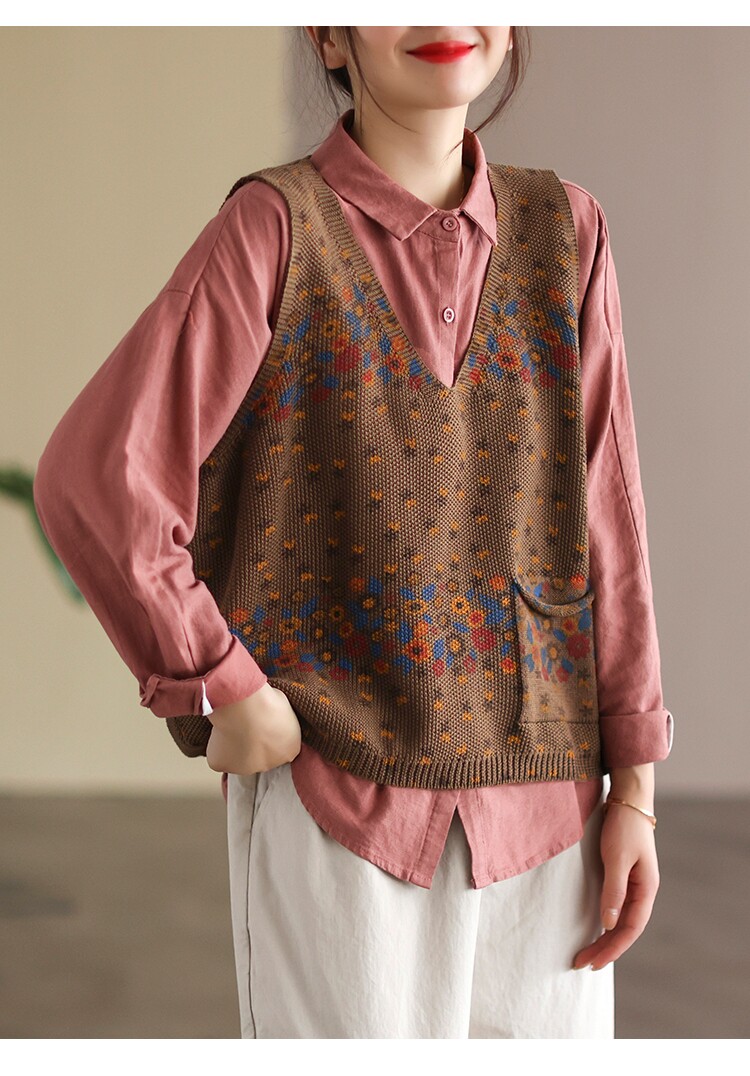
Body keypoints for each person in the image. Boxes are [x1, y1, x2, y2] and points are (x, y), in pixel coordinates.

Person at [33, 26, 674, 1039]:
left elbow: (609, 523)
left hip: (552, 819)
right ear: (330, 34)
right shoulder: (273, 228)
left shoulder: (570, 231)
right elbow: (98, 479)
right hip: (340, 817)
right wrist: (219, 679)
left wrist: (633, 787)